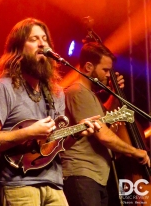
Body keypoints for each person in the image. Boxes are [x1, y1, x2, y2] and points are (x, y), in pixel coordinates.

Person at [0, 18, 101, 206]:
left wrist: (76, 134)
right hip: (18, 185)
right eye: (34, 39)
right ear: (19, 48)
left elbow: (52, 143)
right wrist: (28, 132)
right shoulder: (2, 88)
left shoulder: (56, 93)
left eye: (44, 38)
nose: (42, 43)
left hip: (54, 184)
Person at [60, 42, 150, 206]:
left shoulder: (90, 94)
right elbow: (103, 134)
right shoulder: (78, 91)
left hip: (95, 176)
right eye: (105, 70)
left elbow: (105, 118)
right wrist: (135, 151)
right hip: (82, 174)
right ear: (88, 67)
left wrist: (115, 96)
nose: (109, 75)